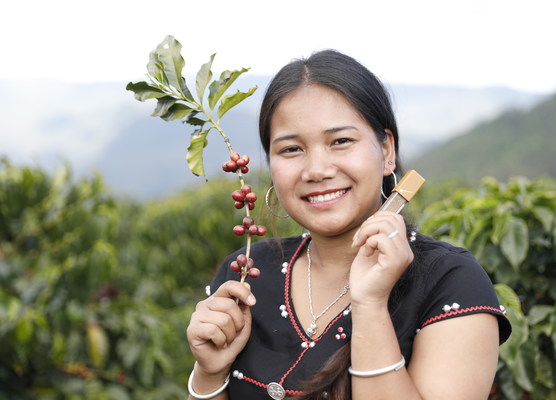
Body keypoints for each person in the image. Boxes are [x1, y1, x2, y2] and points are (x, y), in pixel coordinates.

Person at [186, 49, 511, 400]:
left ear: (386, 150)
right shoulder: (248, 274)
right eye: (291, 149)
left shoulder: (451, 283)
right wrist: (208, 373)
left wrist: (370, 307)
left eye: (340, 141)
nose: (317, 170)